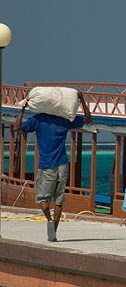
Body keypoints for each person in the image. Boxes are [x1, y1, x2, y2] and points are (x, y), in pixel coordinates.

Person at [13, 90, 93, 242]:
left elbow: (17, 128)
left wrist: (23, 108)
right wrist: (82, 100)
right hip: (63, 164)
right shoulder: (64, 120)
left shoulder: (38, 120)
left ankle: (49, 220)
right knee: (58, 200)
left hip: (46, 165)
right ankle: (54, 232)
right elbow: (88, 119)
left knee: (43, 198)